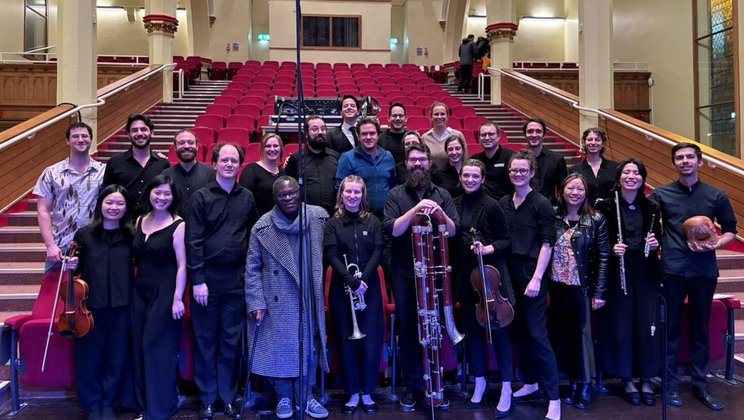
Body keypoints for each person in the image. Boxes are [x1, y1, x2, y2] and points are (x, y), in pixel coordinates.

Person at [649, 142, 736, 411]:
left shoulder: (716, 195)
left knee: (700, 328)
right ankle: (670, 383)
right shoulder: (661, 194)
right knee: (671, 327)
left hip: (704, 271)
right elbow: (649, 227)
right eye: (679, 158)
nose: (685, 161)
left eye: (690, 157)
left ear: (699, 162)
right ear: (673, 163)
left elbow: (731, 230)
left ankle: (700, 383)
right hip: (673, 269)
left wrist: (716, 244)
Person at [245, 176, 330, 419]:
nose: (289, 197)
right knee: (278, 350)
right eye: (283, 195)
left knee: (309, 346)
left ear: (299, 192)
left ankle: (306, 397)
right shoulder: (262, 227)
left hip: (307, 295)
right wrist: (256, 302)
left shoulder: (316, 218)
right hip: (277, 298)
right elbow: (251, 268)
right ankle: (283, 396)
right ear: (275, 198)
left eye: (292, 192)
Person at [383, 143, 459, 411]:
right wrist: (417, 210)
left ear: (430, 163)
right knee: (408, 330)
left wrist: (437, 211)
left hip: (436, 272)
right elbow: (392, 229)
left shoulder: (443, 194)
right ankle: (413, 388)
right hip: (406, 273)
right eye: (413, 160)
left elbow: (453, 229)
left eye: (422, 160)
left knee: (435, 330)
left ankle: (436, 386)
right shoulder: (395, 195)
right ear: (406, 164)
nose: (418, 164)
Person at [188, 143, 259, 420]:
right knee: (206, 341)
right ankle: (207, 399)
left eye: (234, 160)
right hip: (207, 281)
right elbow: (193, 240)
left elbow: (253, 235)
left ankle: (227, 397)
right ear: (214, 164)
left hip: (236, 279)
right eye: (224, 160)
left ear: (239, 165)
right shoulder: (201, 197)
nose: (229, 164)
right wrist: (198, 279)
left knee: (231, 340)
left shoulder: (248, 197)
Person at [498, 149, 561, 420]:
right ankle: (531, 382)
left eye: (523, 170)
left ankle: (554, 398)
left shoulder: (542, 204)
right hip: (509, 275)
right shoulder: (503, 202)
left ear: (532, 173)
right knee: (519, 332)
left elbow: (548, 243)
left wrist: (537, 278)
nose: (518, 174)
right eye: (514, 170)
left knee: (537, 334)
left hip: (532, 274)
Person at [595, 158, 662, 407]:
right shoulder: (605, 205)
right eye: (626, 172)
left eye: (636, 172)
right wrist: (612, 249)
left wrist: (656, 245)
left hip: (645, 272)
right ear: (619, 177)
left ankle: (645, 378)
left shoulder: (652, 206)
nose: (631, 176)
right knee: (621, 327)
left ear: (643, 178)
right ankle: (626, 379)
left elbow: (659, 239)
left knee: (646, 326)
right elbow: (598, 241)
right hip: (617, 271)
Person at [453, 159, 514, 418]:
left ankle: (507, 388)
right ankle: (479, 383)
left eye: (474, 176)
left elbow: (507, 240)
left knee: (499, 334)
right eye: (466, 175)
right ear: (460, 177)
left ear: (482, 178)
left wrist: (488, 248)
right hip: (468, 280)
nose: (469, 179)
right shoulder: (455, 204)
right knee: (473, 334)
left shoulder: (493, 205)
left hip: (492, 278)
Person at [69, 185, 134, 420]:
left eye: (119, 203)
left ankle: (108, 404)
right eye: (109, 202)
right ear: (100, 204)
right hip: (89, 308)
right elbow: (76, 266)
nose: (114, 207)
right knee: (89, 358)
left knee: (116, 357)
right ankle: (92, 405)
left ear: (126, 208)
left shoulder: (131, 235)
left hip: (122, 306)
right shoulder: (84, 234)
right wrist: (71, 265)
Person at [324, 175, 384, 415]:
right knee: (346, 341)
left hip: (368, 290)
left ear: (363, 195)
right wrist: (350, 280)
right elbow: (332, 255)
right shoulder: (332, 224)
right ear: (341, 195)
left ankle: (367, 392)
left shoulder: (373, 221)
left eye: (357, 192)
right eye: (348, 192)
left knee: (370, 342)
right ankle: (352, 393)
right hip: (342, 290)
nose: (352, 196)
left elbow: (378, 251)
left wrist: (362, 281)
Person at [549, 173, 609, 411]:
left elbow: (604, 257)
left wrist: (600, 292)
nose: (575, 193)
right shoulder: (553, 217)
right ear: (562, 191)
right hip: (556, 287)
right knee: (564, 337)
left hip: (581, 287)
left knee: (582, 337)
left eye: (579, 189)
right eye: (570, 188)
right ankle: (572, 382)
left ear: (586, 193)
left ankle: (585, 384)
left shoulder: (595, 219)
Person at [131, 175, 187, 420]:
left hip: (165, 291)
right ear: (149, 194)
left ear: (173, 197)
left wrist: (177, 299)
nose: (162, 197)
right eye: (157, 192)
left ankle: (160, 408)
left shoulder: (179, 224)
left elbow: (183, 265)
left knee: (155, 349)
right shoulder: (140, 220)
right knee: (138, 347)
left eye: (167, 194)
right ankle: (144, 404)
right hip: (139, 290)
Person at [34, 122, 105, 270]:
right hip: (61, 246)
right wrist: (50, 245)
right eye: (75, 136)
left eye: (85, 136)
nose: (80, 139)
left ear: (91, 139)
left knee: (93, 292)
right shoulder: (51, 172)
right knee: (57, 292)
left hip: (95, 245)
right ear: (67, 141)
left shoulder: (103, 171)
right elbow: (43, 210)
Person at [102, 114, 170, 212]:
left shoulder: (163, 163)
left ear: (152, 132)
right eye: (134, 130)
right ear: (128, 135)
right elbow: (105, 195)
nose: (139, 133)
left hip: (154, 222)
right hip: (123, 222)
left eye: (143, 129)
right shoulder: (115, 162)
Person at [335, 116, 396, 217]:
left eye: (372, 133)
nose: (368, 137)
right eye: (364, 134)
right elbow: (339, 188)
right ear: (358, 136)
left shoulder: (388, 156)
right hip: (359, 218)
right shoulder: (347, 158)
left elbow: (393, 185)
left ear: (378, 135)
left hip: (386, 217)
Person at [285, 115, 339, 216]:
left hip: (333, 215)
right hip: (306, 216)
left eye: (323, 129)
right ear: (306, 134)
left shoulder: (335, 156)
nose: (320, 132)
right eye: (314, 129)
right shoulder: (296, 158)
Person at [161, 129, 215, 218]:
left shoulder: (210, 173)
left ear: (197, 146)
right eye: (181, 143)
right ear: (175, 147)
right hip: (174, 228)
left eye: (190, 142)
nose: (186, 146)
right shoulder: (166, 175)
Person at [569, 127, 618, 207]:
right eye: (590, 139)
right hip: (585, 215)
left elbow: (620, 192)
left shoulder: (614, 167)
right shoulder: (574, 170)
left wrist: (607, 202)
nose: (593, 142)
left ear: (603, 144)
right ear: (583, 143)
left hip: (611, 214)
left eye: (597, 140)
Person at [239, 132, 286, 216]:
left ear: (281, 148)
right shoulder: (251, 170)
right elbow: (243, 200)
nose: (272, 149)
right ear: (262, 149)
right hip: (257, 222)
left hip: (280, 222)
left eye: (275, 146)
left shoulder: (282, 173)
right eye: (268, 146)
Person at [522, 117, 567, 204]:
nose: (534, 135)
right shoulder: (517, 160)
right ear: (525, 134)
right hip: (523, 208)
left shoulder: (557, 159)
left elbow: (563, 189)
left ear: (544, 134)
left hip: (550, 209)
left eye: (538, 131)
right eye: (530, 131)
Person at [469, 121, 515, 200]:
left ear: (499, 136)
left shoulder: (511, 157)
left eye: (491, 134)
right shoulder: (475, 159)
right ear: (479, 138)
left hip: (506, 205)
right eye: (483, 135)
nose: (487, 138)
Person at [421, 102, 465, 168]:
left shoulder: (458, 135)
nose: (439, 117)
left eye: (442, 114)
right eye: (436, 114)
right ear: (431, 116)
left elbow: (465, 159)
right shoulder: (424, 138)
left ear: (447, 116)